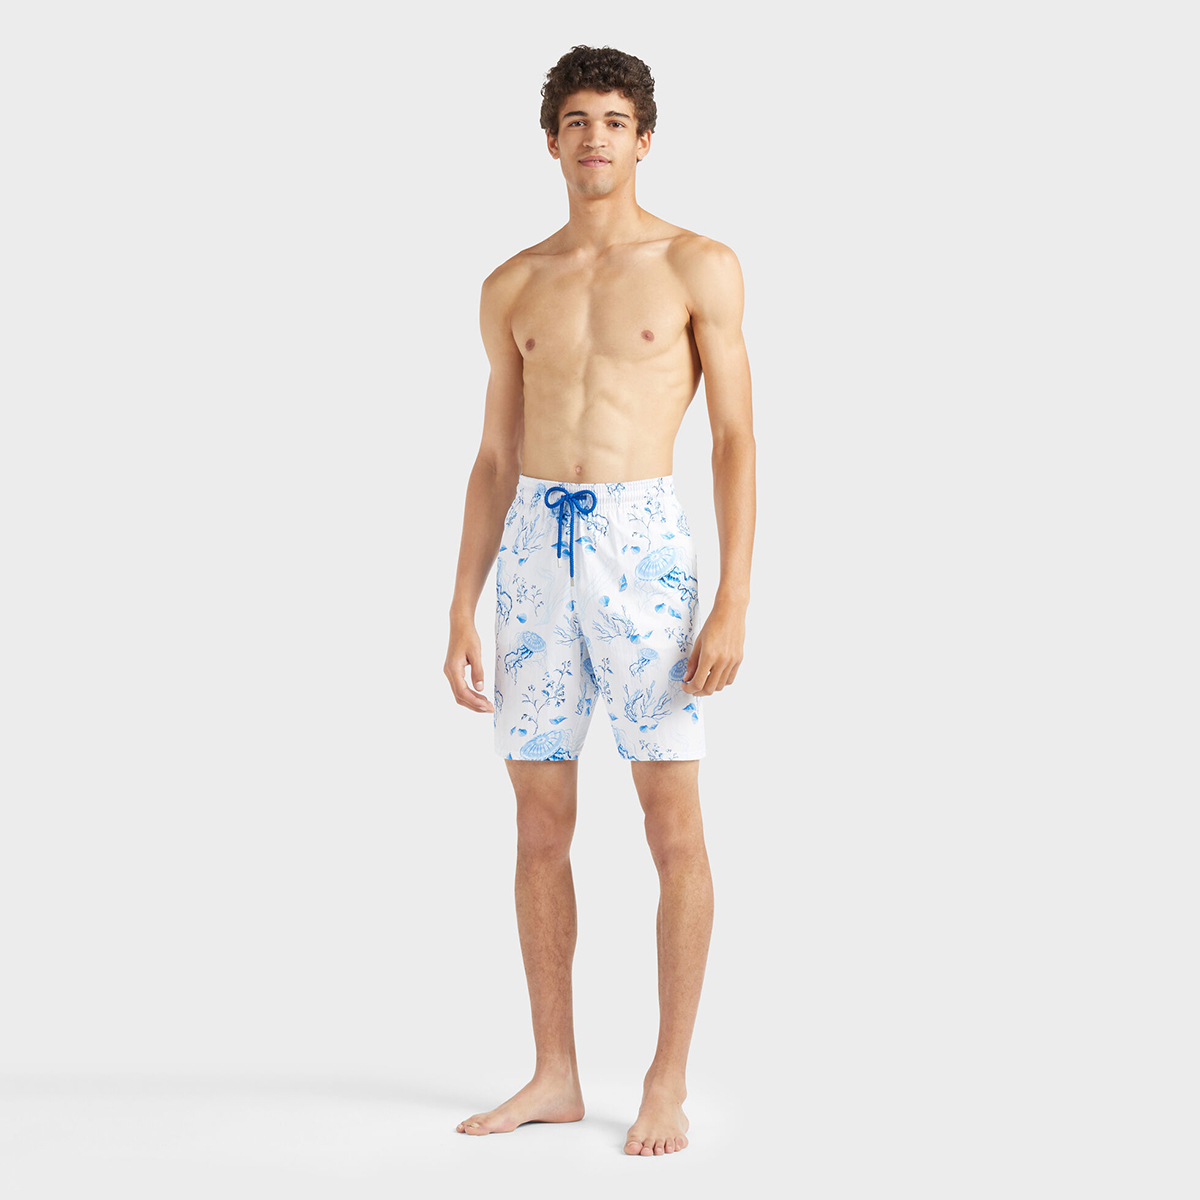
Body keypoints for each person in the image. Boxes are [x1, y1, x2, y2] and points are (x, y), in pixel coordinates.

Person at [444, 44, 755, 1157]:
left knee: (672, 820)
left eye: (615, 121)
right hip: (534, 548)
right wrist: (460, 603)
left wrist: (732, 601)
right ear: (550, 140)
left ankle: (666, 1079)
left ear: (644, 139)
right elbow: (494, 456)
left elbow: (734, 438)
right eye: (577, 120)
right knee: (538, 823)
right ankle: (555, 1073)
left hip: (644, 549)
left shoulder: (696, 264)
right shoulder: (513, 283)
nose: (595, 139)